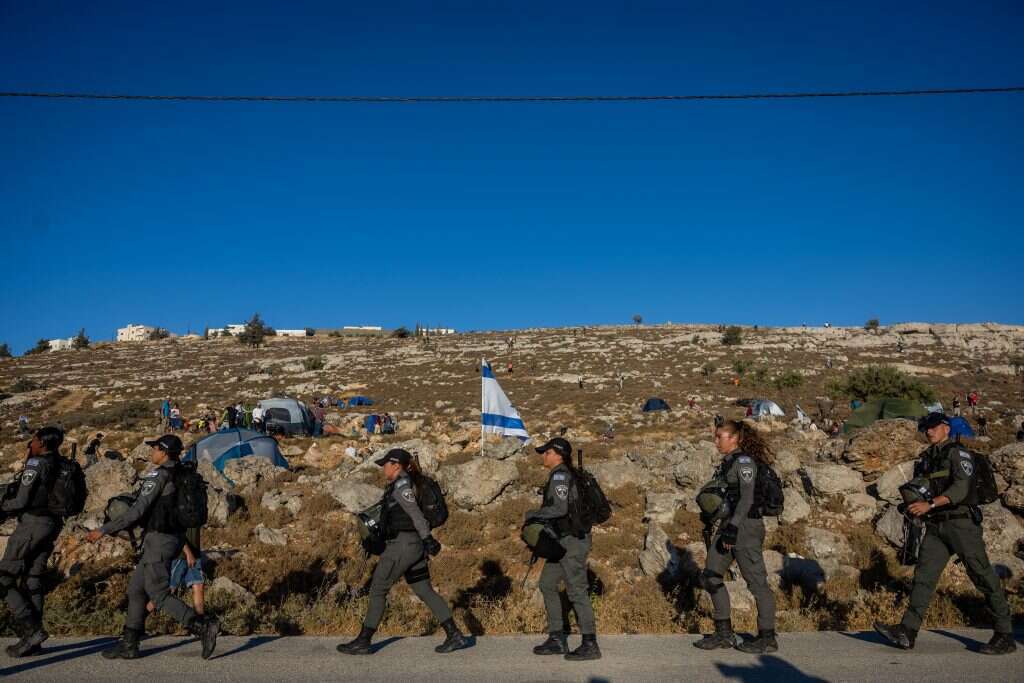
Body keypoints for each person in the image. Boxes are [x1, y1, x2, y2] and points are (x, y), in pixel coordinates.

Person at [874, 412, 1015, 655]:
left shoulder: (958, 454)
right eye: (925, 428)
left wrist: (930, 505)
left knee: (981, 576)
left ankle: (1005, 634)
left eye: (933, 427)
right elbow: (924, 486)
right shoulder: (929, 457)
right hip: (936, 525)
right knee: (923, 577)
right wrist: (913, 503)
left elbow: (960, 489)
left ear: (946, 428)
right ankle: (907, 631)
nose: (928, 431)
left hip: (961, 524)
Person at [85, 434, 219, 660]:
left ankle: (200, 625)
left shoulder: (159, 475)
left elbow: (137, 511)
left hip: (159, 541)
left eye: (154, 448)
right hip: (173, 539)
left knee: (158, 594)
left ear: (163, 452)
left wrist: (103, 530)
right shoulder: (182, 472)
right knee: (136, 590)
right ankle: (130, 643)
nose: (151, 452)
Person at [337, 448, 467, 655]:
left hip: (403, 546)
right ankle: (455, 635)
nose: (382, 469)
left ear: (396, 465)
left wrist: (428, 539)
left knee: (378, 589)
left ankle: (363, 641)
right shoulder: (404, 483)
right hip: (412, 547)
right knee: (423, 590)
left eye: (385, 464)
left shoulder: (402, 486)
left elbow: (416, 515)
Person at [695, 420, 777, 654]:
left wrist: (733, 527)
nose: (716, 441)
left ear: (734, 438)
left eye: (719, 436)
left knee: (757, 583)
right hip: (728, 525)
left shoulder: (744, 462)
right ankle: (724, 634)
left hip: (745, 527)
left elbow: (747, 498)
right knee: (710, 576)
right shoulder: (728, 462)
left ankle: (767, 637)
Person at [526, 437, 601, 661]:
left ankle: (590, 643)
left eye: (546, 452)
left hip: (572, 543)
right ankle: (557, 638)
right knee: (547, 584)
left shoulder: (560, 475)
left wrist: (533, 515)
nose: (543, 456)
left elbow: (559, 508)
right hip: (562, 542)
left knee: (576, 591)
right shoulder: (564, 474)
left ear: (557, 454)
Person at [1, 427, 69, 657]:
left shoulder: (36, 464)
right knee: (32, 580)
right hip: (53, 525)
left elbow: (21, 500)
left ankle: (31, 631)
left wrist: (2, 508)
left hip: (32, 524)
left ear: (41, 442)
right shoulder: (63, 464)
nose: (30, 444)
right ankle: (34, 643)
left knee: (4, 578)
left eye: (33, 440)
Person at [148, 525, 204, 618]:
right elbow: (175, 533)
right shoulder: (177, 511)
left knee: (198, 585)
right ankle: (140, 617)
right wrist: (188, 553)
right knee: (168, 590)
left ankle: (201, 623)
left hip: (194, 555)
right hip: (180, 555)